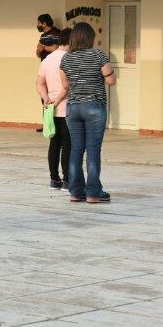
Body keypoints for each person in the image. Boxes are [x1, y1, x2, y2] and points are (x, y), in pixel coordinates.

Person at [56, 22, 115, 202]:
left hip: (73, 108)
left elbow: (66, 85)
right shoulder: (98, 55)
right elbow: (111, 80)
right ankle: (93, 193)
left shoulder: (66, 58)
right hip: (94, 107)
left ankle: (76, 191)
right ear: (90, 38)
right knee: (93, 150)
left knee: (76, 149)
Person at [36, 28, 72, 190]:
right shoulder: (70, 59)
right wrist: (58, 99)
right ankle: (67, 180)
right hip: (67, 108)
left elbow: (39, 82)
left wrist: (45, 97)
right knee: (68, 145)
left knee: (54, 144)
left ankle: (54, 179)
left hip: (50, 108)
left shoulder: (48, 59)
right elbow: (68, 86)